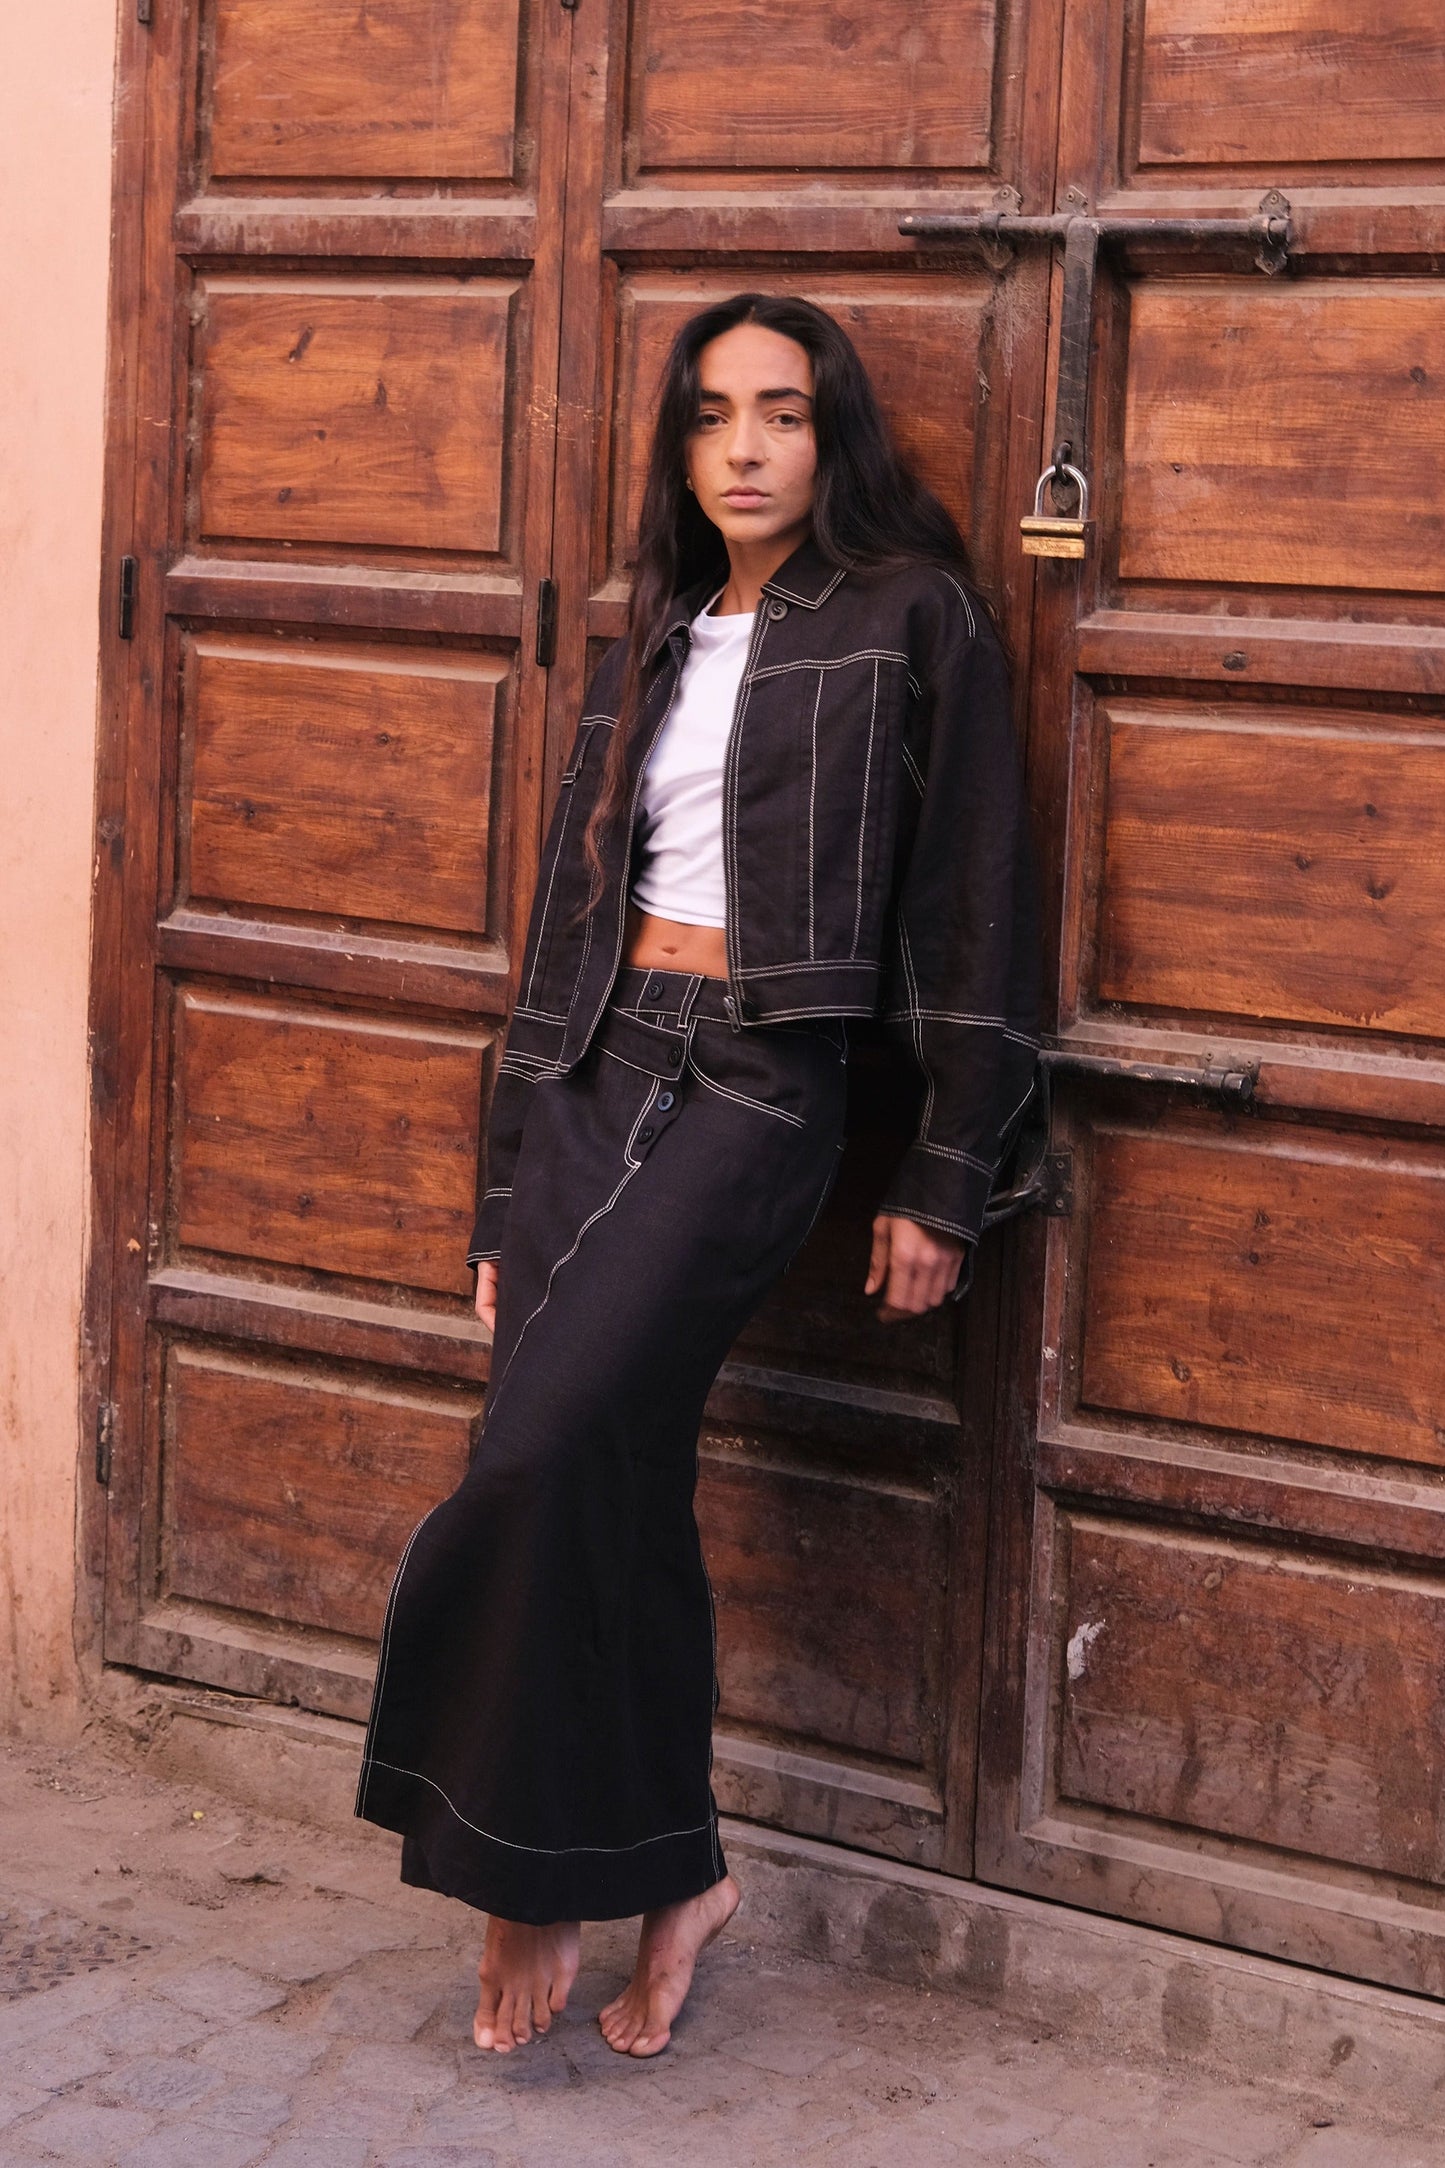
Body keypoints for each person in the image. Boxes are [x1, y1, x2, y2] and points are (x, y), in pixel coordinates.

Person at [355, 293, 1039, 2059]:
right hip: (597, 1068)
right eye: (714, 415)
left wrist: (947, 1170)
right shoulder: (653, 629)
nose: (746, 447)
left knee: (540, 1451)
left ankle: (528, 1872)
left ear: (832, 435)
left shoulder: (910, 616)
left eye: (783, 413)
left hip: (754, 1079)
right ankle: (676, 1875)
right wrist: (506, 1186)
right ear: (676, 448)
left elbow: (976, 898)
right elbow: (568, 909)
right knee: (616, 1481)